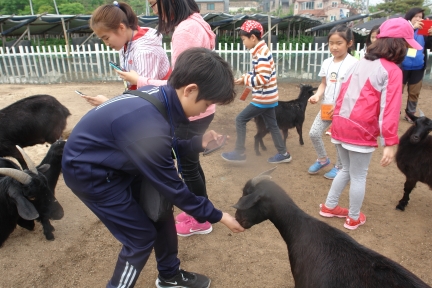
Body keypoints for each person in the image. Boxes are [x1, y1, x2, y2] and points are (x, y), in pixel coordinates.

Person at [62, 48, 244, 288]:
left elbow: (157, 146)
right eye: (208, 103)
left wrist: (195, 143)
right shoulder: (148, 118)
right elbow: (172, 186)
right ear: (190, 90)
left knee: (159, 211)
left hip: (119, 161)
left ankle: (170, 276)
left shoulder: (161, 98)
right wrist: (218, 215)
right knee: (139, 237)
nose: (207, 110)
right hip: (90, 173)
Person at [318, 18, 423, 230]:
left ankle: (330, 207)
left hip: (341, 125)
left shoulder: (360, 63)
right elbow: (389, 110)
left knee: (346, 170)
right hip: (361, 130)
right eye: (406, 44)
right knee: (358, 175)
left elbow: (342, 94)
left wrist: (335, 122)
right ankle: (353, 217)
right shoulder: (392, 70)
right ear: (398, 44)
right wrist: (390, 142)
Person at [221, 20, 292, 164]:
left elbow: (263, 78)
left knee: (240, 119)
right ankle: (283, 153)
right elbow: (258, 73)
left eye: (243, 39)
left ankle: (239, 152)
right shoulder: (260, 51)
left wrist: (246, 79)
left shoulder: (261, 54)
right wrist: (245, 78)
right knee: (272, 124)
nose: (243, 43)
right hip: (269, 97)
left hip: (263, 99)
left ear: (253, 37)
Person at [82, 1, 171, 106]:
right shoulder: (127, 43)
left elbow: (146, 98)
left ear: (121, 28)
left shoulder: (144, 51)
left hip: (162, 107)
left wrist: (108, 103)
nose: (106, 44)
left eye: (106, 38)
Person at [307, 25, 358, 180]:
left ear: (349, 43)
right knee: (313, 133)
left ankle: (340, 167)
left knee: (338, 139)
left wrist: (343, 106)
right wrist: (317, 95)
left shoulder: (354, 64)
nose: (334, 47)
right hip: (327, 106)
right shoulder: (327, 62)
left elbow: (355, 90)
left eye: (339, 43)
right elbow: (324, 83)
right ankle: (323, 159)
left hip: (344, 110)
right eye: (331, 43)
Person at [401, 7, 432, 123]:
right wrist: (412, 29)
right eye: (416, 16)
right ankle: (393, 112)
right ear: (410, 17)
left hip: (418, 66)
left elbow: (429, 46)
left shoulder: (424, 31)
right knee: (397, 91)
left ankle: (410, 114)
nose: (419, 19)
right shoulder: (403, 27)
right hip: (402, 66)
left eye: (421, 17)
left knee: (414, 93)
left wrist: (431, 35)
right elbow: (398, 42)